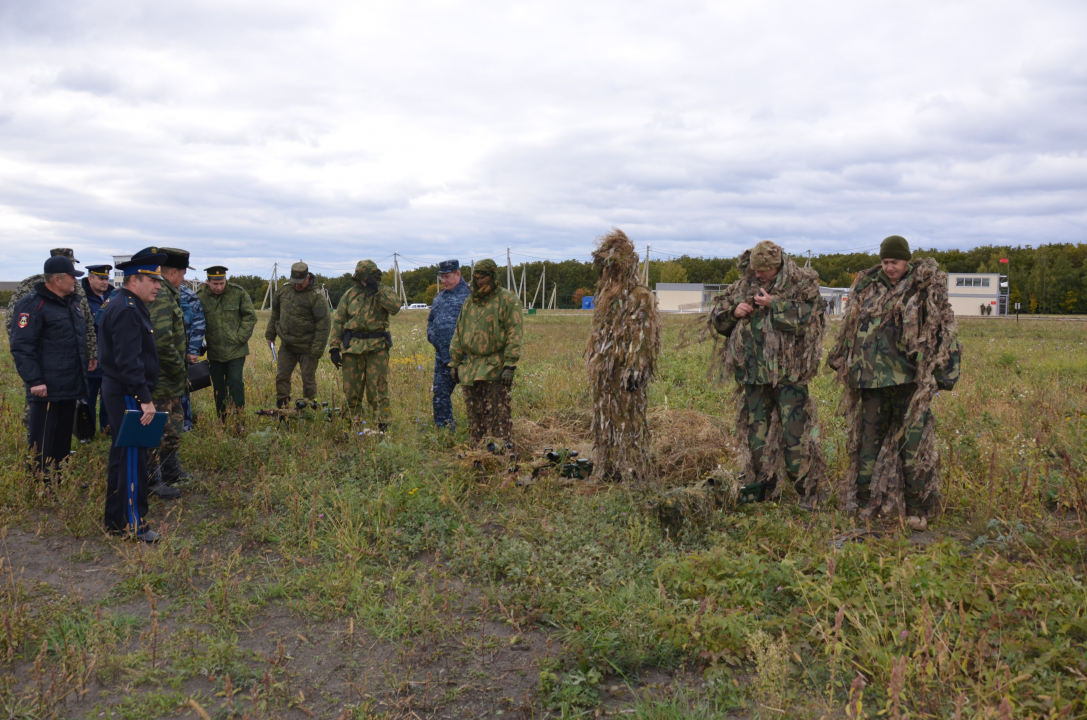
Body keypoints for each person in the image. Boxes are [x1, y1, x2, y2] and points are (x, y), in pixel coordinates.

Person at [827, 236, 961, 529]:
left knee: (913, 445)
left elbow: (943, 330)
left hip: (909, 382)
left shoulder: (923, 289)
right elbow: (850, 326)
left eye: (895, 262)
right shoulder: (867, 285)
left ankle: (918, 510)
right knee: (866, 446)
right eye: (885, 262)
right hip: (870, 381)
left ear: (906, 261)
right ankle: (864, 504)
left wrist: (945, 374)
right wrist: (840, 357)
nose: (889, 268)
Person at [709, 240, 827, 508]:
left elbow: (807, 319)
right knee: (757, 436)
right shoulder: (742, 285)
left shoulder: (801, 283)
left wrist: (775, 304)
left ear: (779, 265)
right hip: (754, 376)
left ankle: (807, 492)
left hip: (789, 376)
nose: (760, 275)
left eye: (766, 271)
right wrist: (732, 311)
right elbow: (718, 318)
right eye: (756, 269)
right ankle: (765, 488)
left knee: (795, 435)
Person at [99, 248, 168, 542]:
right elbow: (129, 361)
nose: (158, 286)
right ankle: (131, 524)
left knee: (122, 457)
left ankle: (116, 521)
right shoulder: (127, 310)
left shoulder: (126, 305)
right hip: (128, 394)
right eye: (153, 280)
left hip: (122, 392)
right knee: (131, 460)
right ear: (134, 279)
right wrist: (144, 399)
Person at [586, 229, 661, 482]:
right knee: (603, 417)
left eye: (613, 267)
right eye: (606, 268)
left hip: (628, 373)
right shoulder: (605, 296)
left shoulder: (641, 296)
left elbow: (646, 337)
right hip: (604, 372)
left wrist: (637, 368)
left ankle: (632, 468)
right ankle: (607, 468)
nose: (609, 272)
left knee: (628, 421)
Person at [8, 255, 92, 480]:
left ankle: (59, 477)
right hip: (46, 387)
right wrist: (34, 381)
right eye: (72, 277)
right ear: (56, 280)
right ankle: (41, 481)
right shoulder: (33, 303)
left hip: (69, 384)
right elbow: (22, 346)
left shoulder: (70, 303)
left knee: (63, 435)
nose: (75, 282)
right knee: (43, 438)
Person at [6, 248, 97, 427]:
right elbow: (17, 327)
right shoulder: (31, 290)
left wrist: (90, 350)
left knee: (63, 420)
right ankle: (36, 445)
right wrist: (33, 370)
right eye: (69, 266)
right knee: (40, 418)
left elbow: (86, 322)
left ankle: (58, 452)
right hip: (44, 365)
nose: (74, 275)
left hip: (69, 368)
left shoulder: (73, 292)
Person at [447, 258, 523, 448]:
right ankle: (478, 456)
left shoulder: (507, 300)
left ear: (493, 276)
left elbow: (515, 332)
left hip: (495, 367)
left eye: (484, 277)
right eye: (477, 277)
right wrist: (454, 362)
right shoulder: (470, 302)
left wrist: (509, 364)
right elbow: (459, 332)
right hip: (471, 368)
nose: (480, 281)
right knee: (475, 418)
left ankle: (501, 457)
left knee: (498, 418)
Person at [328, 260, 400, 431]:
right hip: (352, 347)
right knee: (351, 389)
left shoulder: (384, 291)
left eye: (366, 277)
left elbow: (395, 307)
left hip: (377, 347)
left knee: (377, 389)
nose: (363, 281)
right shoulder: (350, 294)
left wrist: (377, 291)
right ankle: (352, 424)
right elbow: (339, 320)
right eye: (360, 277)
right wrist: (334, 347)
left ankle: (382, 425)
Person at [146, 249, 192, 494]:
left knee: (173, 425)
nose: (184, 278)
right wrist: (178, 367)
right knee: (157, 428)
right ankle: (152, 479)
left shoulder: (168, 293)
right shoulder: (162, 296)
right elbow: (162, 341)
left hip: (170, 378)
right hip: (162, 378)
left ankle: (171, 471)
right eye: (183, 272)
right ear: (173, 271)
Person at [266, 261, 331, 409]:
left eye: (300, 283)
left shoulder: (316, 297)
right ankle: (283, 408)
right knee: (281, 377)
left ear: (308, 278)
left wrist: (316, 351)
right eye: (294, 282)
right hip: (287, 346)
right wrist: (270, 335)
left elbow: (324, 325)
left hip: (307, 348)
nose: (297, 285)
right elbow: (275, 313)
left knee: (308, 380)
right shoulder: (284, 291)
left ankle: (310, 409)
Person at [198, 266, 257, 421]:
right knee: (219, 386)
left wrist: (240, 337)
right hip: (215, 351)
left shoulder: (237, 293)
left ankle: (239, 419)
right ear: (208, 282)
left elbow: (250, 316)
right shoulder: (200, 297)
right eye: (215, 284)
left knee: (235, 382)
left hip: (236, 350)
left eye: (222, 283)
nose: (219, 287)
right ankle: (223, 419)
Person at [426, 259, 470, 431]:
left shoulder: (471, 295)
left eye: (447, 276)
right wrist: (433, 338)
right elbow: (431, 322)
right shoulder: (439, 298)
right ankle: (445, 430)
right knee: (440, 395)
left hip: (467, 358)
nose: (444, 281)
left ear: (458, 274)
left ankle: (479, 432)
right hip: (443, 357)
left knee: (474, 397)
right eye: (442, 277)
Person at [82, 264, 114, 434]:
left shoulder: (113, 295)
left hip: (110, 356)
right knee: (88, 397)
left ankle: (107, 429)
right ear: (90, 279)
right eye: (100, 278)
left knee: (108, 397)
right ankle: (86, 432)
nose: (104, 282)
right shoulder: (82, 298)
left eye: (106, 279)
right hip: (91, 357)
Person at [178, 281, 206, 430]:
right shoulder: (152, 290)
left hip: (183, 348)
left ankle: (185, 422)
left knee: (183, 387)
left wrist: (194, 349)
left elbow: (198, 322)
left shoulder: (188, 295)